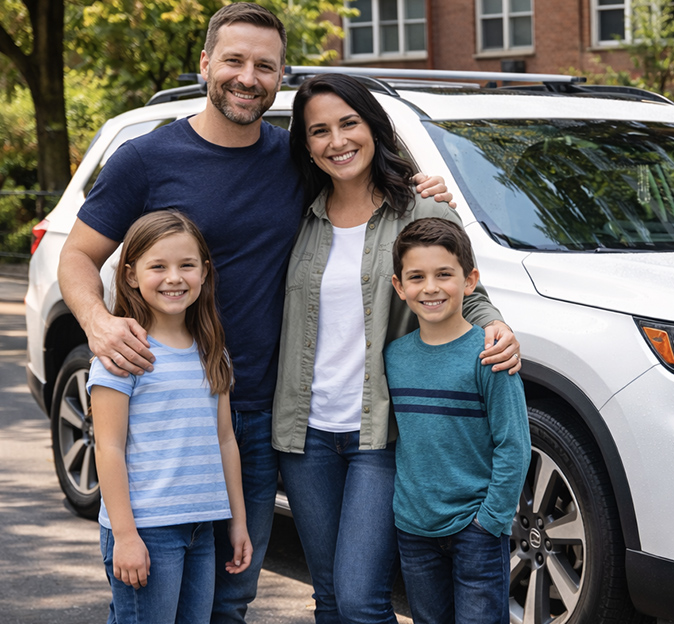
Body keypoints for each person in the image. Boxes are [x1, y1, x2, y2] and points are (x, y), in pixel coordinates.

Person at [57, 4, 521, 622]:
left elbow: (407, 235)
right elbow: (78, 255)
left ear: (280, 77)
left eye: (265, 65)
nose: (248, 77)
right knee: (156, 588)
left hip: (257, 417)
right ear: (205, 63)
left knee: (230, 592)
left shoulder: (295, 163)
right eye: (234, 60)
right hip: (173, 411)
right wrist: (98, 322)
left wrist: (485, 304)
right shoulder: (147, 157)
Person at [272, 74, 519, 623]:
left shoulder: (420, 210)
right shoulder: (295, 214)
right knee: (330, 597)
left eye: (348, 123)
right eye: (319, 131)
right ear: (306, 145)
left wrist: (497, 325)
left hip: (377, 435)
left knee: (361, 599)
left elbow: (466, 293)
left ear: (372, 127)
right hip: (303, 435)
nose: (336, 140)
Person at [90, 211, 251, 623]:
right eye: (157, 266)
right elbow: (108, 447)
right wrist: (125, 536)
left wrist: (237, 522)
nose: (174, 278)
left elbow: (225, 439)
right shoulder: (122, 353)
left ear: (205, 271)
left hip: (200, 527)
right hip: (146, 530)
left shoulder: (211, 348)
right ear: (130, 276)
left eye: (186, 265)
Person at [386, 217, 531, 624]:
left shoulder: (490, 356)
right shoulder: (395, 357)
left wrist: (490, 522)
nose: (430, 287)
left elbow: (514, 444)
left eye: (444, 275)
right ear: (399, 287)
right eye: (416, 277)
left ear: (470, 282)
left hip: (476, 530)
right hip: (415, 528)